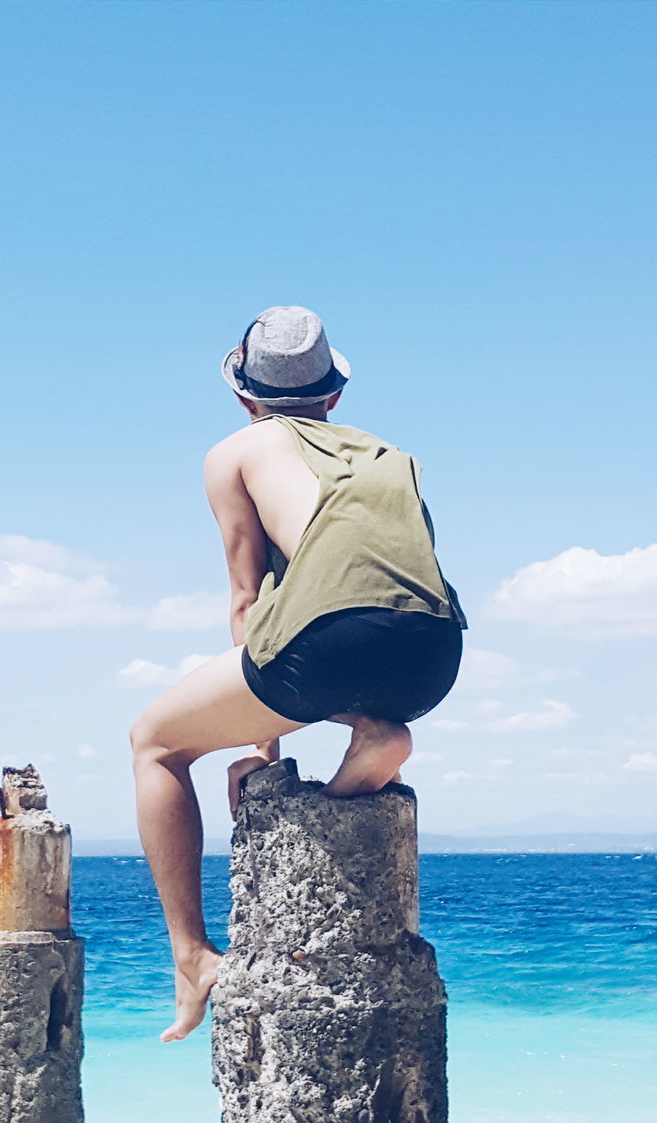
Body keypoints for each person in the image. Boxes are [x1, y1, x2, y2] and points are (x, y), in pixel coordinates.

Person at [129, 305, 467, 1042]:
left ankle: (190, 959)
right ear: (333, 396)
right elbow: (383, 581)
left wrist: (261, 751)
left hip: (334, 639)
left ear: (244, 396)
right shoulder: (388, 454)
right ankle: (373, 731)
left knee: (154, 741)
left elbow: (248, 598)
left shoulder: (237, 451)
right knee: (347, 651)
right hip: (434, 652)